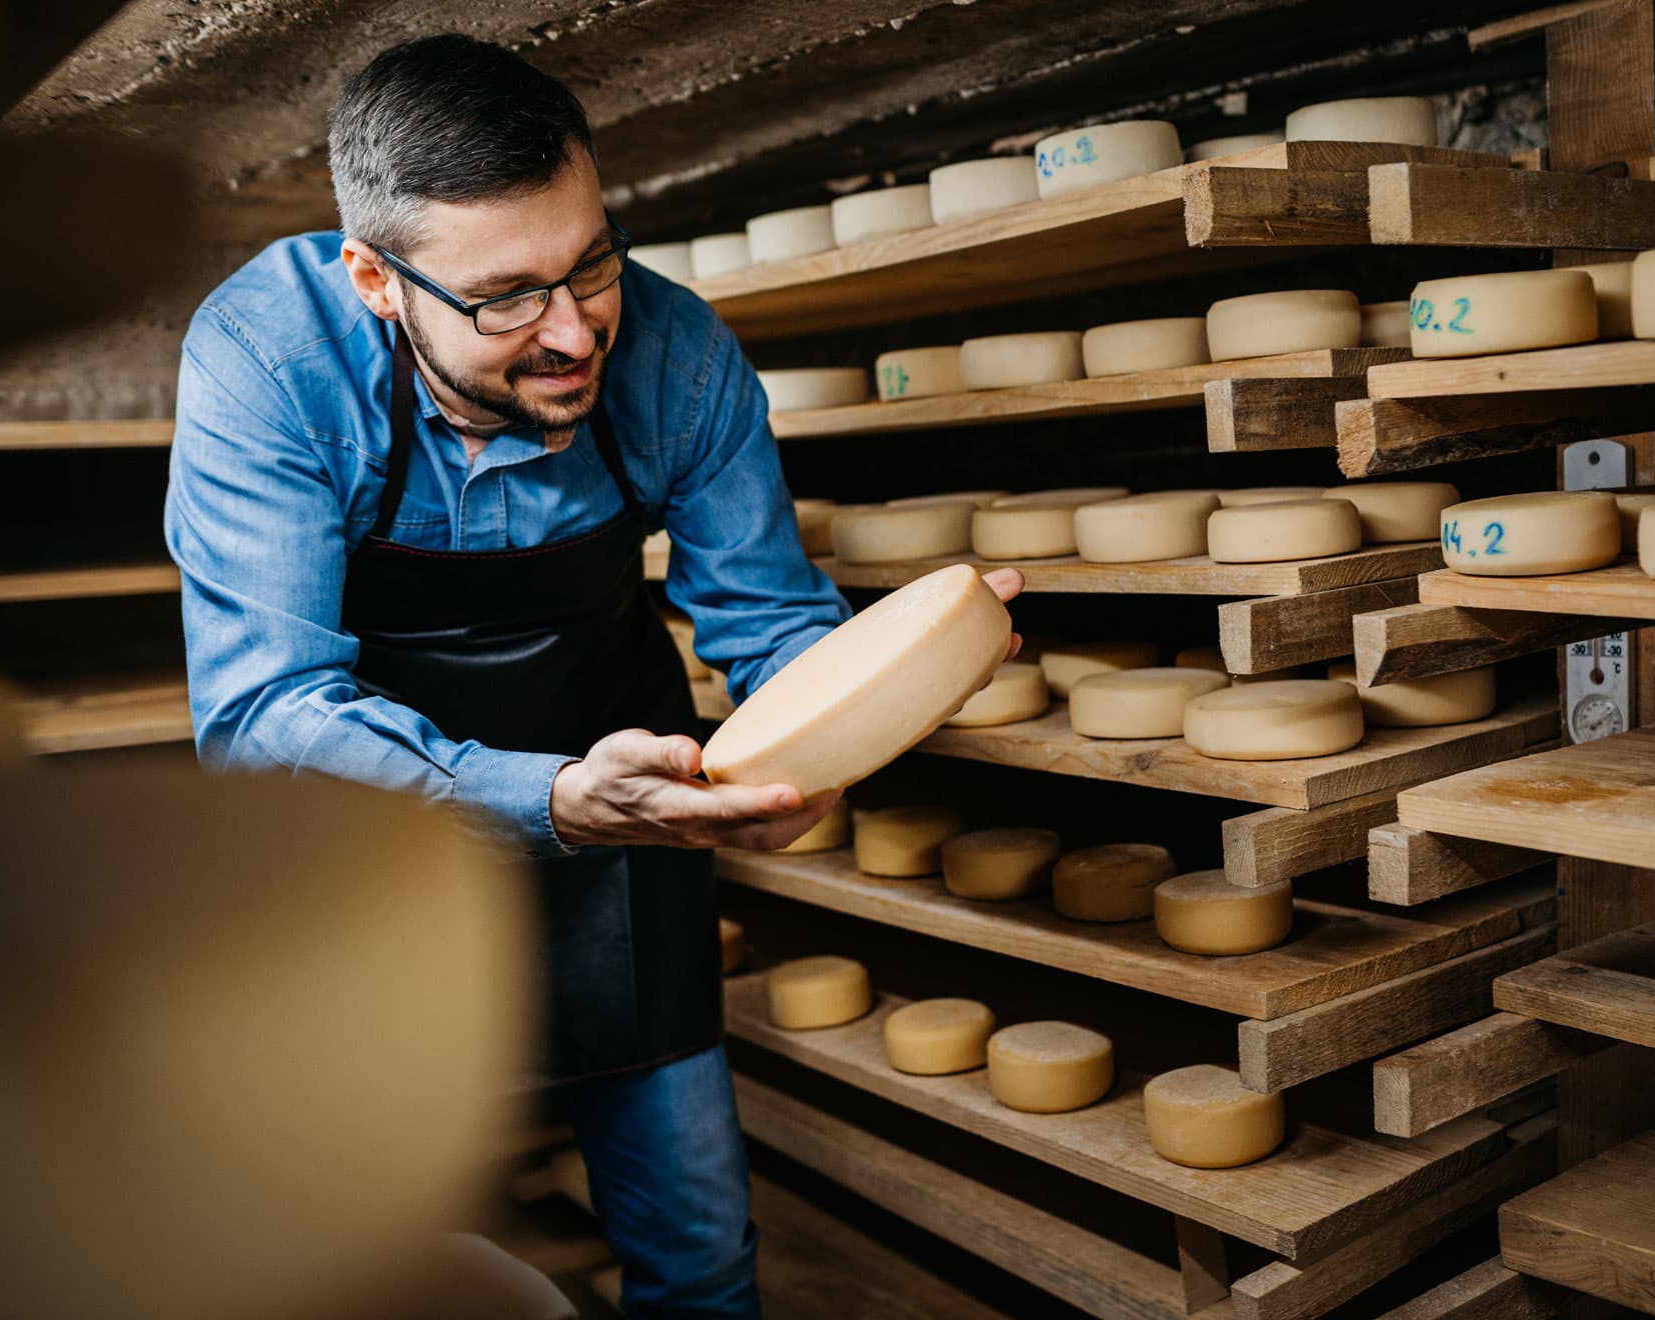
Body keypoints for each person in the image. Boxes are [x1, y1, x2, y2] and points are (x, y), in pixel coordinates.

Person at [164, 33, 1021, 1317]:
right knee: (359, 1250)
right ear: (373, 279)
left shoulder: (674, 352)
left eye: (591, 262)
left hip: (630, 814)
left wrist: (890, 674)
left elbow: (771, 625)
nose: (574, 332)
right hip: (353, 845)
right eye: (506, 297)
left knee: (698, 1246)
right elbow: (262, 713)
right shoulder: (268, 363)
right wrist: (550, 797)